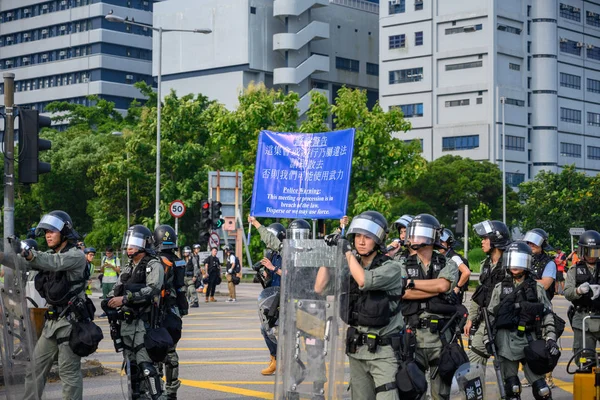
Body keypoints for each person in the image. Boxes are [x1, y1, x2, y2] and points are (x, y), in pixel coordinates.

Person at [1, 211, 88, 400]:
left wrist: (30, 254)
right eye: (46, 232)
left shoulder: (75, 256)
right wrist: (3, 256)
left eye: (53, 231)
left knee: (68, 375)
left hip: (70, 324)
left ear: (64, 233)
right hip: (51, 324)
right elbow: (24, 264)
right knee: (34, 370)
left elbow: (53, 263)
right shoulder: (48, 255)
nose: (48, 235)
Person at [326, 211, 405, 400]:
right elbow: (320, 286)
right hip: (357, 351)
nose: (361, 242)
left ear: (377, 240)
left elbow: (364, 280)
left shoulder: (391, 268)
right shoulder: (350, 265)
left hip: (384, 353)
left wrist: (346, 251)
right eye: (358, 236)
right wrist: (328, 253)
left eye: (367, 237)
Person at [487, 241, 557, 400]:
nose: (515, 265)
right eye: (512, 260)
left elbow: (547, 314)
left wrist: (551, 338)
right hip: (505, 344)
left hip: (529, 341)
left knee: (542, 390)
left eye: (520, 260)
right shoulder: (499, 288)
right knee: (512, 388)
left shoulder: (536, 288)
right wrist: (487, 339)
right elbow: (490, 316)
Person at [400, 214, 459, 400]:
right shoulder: (400, 263)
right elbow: (403, 293)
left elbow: (444, 285)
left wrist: (411, 283)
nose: (412, 237)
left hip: (440, 338)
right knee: (412, 392)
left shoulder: (448, 263)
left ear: (431, 237)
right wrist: (434, 289)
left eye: (418, 233)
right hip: (412, 336)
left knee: (441, 394)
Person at [106, 225, 165, 400]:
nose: (129, 246)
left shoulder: (153, 265)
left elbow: (153, 289)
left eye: (134, 242)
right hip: (125, 324)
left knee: (147, 367)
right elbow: (116, 289)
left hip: (143, 324)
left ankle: (158, 397)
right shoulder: (128, 267)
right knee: (132, 369)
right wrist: (107, 302)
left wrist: (125, 299)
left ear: (145, 244)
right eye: (128, 243)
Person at [464, 220, 511, 379]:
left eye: (485, 238)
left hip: (506, 322)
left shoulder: (512, 264)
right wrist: (471, 318)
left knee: (507, 373)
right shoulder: (485, 264)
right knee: (473, 363)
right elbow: (479, 294)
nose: (482, 242)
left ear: (496, 240)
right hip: (485, 321)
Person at [154, 225, 187, 400]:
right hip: (173, 311)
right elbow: (182, 289)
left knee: (155, 350)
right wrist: (182, 309)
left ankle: (157, 389)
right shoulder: (179, 261)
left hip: (156, 312)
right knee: (171, 352)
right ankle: (171, 391)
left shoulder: (154, 261)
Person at [248, 216, 285, 375]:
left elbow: (293, 275)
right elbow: (271, 279)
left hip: (286, 297)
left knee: (281, 331)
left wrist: (274, 268)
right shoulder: (273, 254)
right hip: (273, 297)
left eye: (271, 239)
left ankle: (288, 362)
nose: (268, 244)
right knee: (265, 329)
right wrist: (264, 274)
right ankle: (275, 358)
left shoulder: (287, 254)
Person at [564, 230, 600, 370]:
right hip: (583, 318)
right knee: (584, 358)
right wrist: (578, 291)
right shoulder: (574, 270)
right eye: (588, 251)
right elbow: (567, 292)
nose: (592, 255)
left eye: (595, 251)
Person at [439, 228, 471, 303]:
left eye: (442, 242)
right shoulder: (441, 256)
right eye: (438, 242)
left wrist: (457, 288)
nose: (439, 245)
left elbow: (466, 272)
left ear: (449, 244)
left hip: (452, 297)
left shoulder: (454, 257)